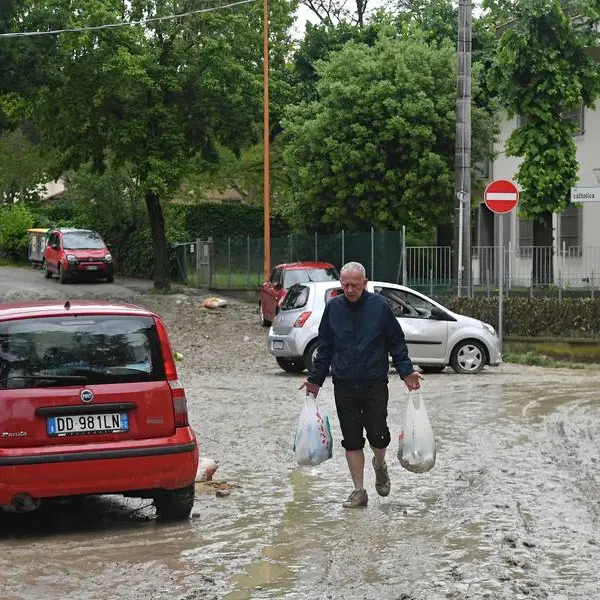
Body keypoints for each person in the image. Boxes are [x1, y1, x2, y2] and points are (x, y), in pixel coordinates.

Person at [300, 261, 423, 508]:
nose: (349, 289)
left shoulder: (379, 307)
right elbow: (325, 349)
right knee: (352, 440)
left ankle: (380, 464)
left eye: (354, 285)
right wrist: (315, 380)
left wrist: (406, 372)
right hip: (344, 385)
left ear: (364, 284)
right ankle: (359, 490)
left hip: (375, 384)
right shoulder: (333, 308)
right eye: (345, 285)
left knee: (378, 435)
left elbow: (396, 342)